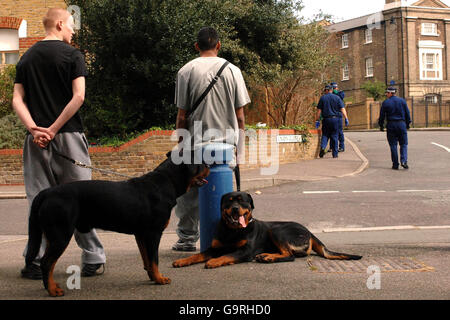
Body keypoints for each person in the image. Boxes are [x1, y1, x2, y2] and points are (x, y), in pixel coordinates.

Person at [12, 8, 106, 279]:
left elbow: (17, 99)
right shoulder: (73, 55)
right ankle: (93, 258)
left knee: (39, 200)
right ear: (60, 24)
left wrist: (34, 129)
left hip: (35, 141)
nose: (73, 31)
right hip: (68, 138)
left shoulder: (26, 57)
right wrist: (53, 129)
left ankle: (35, 260)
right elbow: (79, 97)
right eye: (72, 26)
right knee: (82, 199)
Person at [172, 27, 250, 251]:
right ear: (218, 45)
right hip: (225, 146)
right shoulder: (233, 71)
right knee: (225, 196)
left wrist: (181, 147)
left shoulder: (186, 71)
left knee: (188, 196)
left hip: (196, 145)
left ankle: (187, 240)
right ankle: (226, 238)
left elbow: (181, 116)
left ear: (197, 46)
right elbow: (240, 117)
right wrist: (241, 152)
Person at [378, 86, 411, 170]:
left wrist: (381, 126)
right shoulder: (402, 101)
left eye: (387, 93)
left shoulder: (386, 103)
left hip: (391, 125)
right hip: (401, 124)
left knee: (393, 145)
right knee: (403, 144)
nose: (386, 94)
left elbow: (382, 116)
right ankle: (404, 161)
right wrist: (407, 124)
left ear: (390, 93)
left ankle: (395, 164)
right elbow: (407, 113)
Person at [315, 85, 349, 159]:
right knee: (335, 136)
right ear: (331, 90)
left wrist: (317, 120)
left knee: (325, 135)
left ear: (326, 90)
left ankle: (323, 147)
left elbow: (319, 111)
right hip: (335, 119)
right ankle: (335, 154)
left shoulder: (323, 98)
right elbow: (342, 109)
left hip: (326, 119)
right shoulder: (337, 98)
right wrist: (346, 118)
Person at [330, 82, 345, 152]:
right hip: (331, 115)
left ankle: (342, 146)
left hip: (338, 115)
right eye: (333, 88)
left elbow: (342, 96)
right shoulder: (329, 95)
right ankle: (331, 147)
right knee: (331, 132)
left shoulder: (340, 93)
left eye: (334, 88)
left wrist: (335, 92)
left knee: (339, 131)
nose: (334, 89)